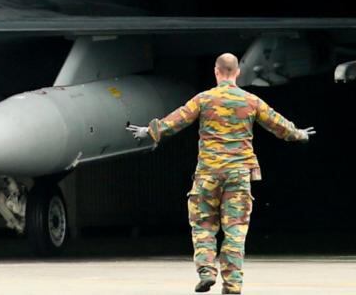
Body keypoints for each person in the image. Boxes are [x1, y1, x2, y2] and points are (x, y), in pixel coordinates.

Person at [126, 53, 315, 294]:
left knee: (203, 225)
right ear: (237, 72)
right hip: (238, 174)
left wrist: (150, 131)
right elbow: (277, 124)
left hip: (207, 174)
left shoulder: (204, 99)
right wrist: (300, 134)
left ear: (216, 71)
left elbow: (178, 119)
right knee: (235, 229)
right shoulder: (251, 100)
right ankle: (233, 284)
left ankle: (206, 271)